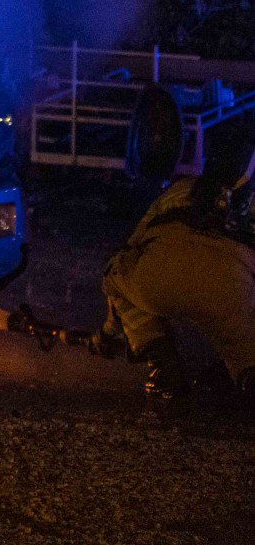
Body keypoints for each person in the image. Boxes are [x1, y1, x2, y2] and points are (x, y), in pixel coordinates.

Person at [100, 141, 255, 411]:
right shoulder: (249, 207)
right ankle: (244, 375)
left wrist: (108, 333)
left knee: (116, 272)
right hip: (228, 292)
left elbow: (132, 246)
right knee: (241, 349)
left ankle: (163, 365)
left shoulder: (179, 190)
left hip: (156, 280)